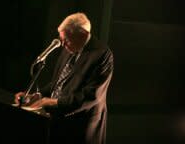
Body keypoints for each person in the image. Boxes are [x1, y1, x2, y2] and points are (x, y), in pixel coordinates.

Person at [14, 12, 113, 144]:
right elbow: (57, 83)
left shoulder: (102, 54)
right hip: (58, 123)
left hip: (82, 126)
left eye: (66, 40)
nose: (63, 44)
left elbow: (91, 96)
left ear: (83, 34)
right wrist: (37, 96)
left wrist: (50, 102)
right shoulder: (69, 47)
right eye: (62, 40)